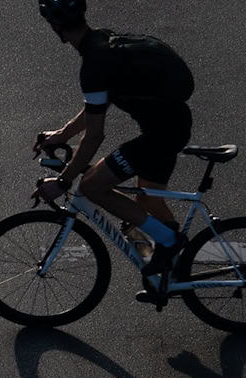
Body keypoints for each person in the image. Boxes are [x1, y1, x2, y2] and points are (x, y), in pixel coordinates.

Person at [32, 0, 195, 288]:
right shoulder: (102, 41)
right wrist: (62, 135)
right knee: (147, 201)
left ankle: (170, 242)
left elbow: (95, 134)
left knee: (92, 185)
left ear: (56, 27)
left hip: (160, 136)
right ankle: (175, 264)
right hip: (173, 125)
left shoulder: (94, 64)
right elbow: (94, 107)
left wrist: (64, 180)